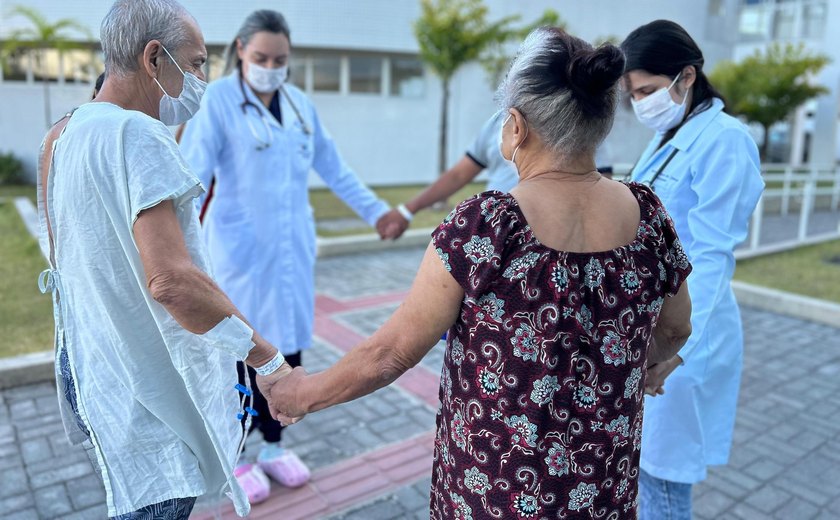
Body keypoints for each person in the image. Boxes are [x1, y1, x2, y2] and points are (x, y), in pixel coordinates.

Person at [269, 27, 694, 519]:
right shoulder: (648, 215)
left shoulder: (487, 226)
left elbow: (389, 354)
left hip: (493, 490)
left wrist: (301, 393)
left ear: (515, 127)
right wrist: (641, 366)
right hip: (600, 490)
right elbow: (676, 327)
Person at [36, 1, 294, 518]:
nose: (202, 77)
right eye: (196, 63)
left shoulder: (60, 135)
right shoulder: (137, 134)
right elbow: (172, 281)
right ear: (154, 58)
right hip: (142, 382)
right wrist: (266, 359)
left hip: (88, 364)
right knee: (156, 497)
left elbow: (70, 258)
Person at [178, 9, 396, 501]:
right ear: (239, 51)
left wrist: (378, 212)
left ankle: (274, 447)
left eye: (280, 59)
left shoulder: (299, 106)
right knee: (239, 353)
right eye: (261, 58)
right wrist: (176, 249)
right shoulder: (217, 102)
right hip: (237, 253)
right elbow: (191, 179)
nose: (271, 67)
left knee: (287, 350)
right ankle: (234, 454)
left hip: (291, 253)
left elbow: (336, 170)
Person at [620, 20, 764, 519]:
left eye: (648, 90)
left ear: (686, 76)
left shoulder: (725, 139)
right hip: (653, 324)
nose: (640, 103)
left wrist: (676, 348)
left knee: (662, 481)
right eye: (633, 93)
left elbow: (712, 256)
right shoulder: (668, 134)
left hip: (686, 334)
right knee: (644, 470)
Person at [380, 112, 617, 239]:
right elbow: (458, 174)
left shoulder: (580, 126)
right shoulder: (497, 122)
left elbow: (599, 187)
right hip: (492, 236)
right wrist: (406, 210)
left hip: (551, 239)